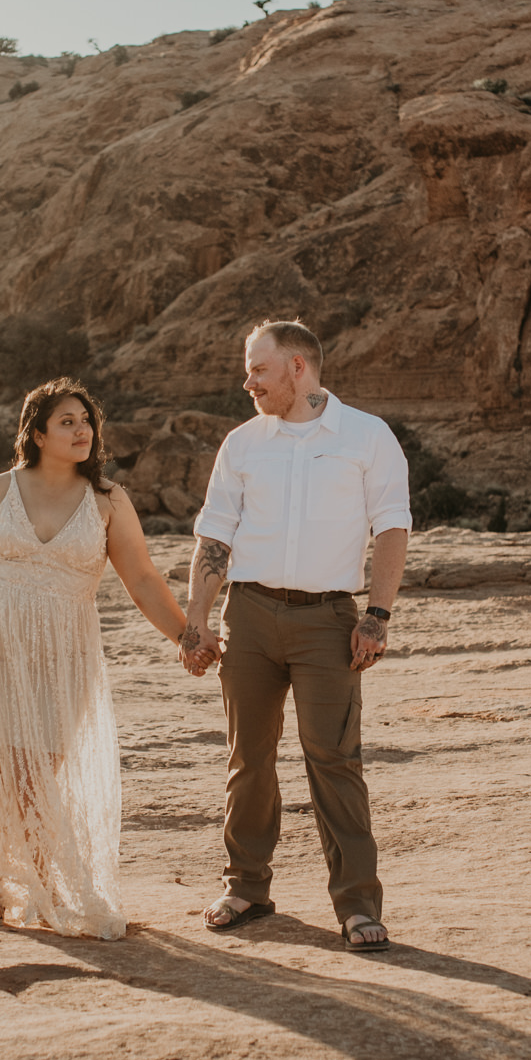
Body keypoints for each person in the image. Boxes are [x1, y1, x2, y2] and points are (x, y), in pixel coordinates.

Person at [0, 378, 194, 940]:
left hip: (63, 652)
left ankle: (42, 881)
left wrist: (185, 636)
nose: (82, 431)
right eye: (68, 422)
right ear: (38, 432)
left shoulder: (107, 501)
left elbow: (143, 579)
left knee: (37, 770)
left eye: (86, 421)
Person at [179, 320, 411, 953]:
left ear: (299, 368)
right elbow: (215, 537)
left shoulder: (367, 436)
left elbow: (392, 527)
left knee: (334, 761)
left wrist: (377, 615)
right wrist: (195, 623)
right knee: (247, 759)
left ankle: (358, 906)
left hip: (328, 621)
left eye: (259, 369)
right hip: (248, 618)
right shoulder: (243, 444)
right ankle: (246, 886)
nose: (247, 380)